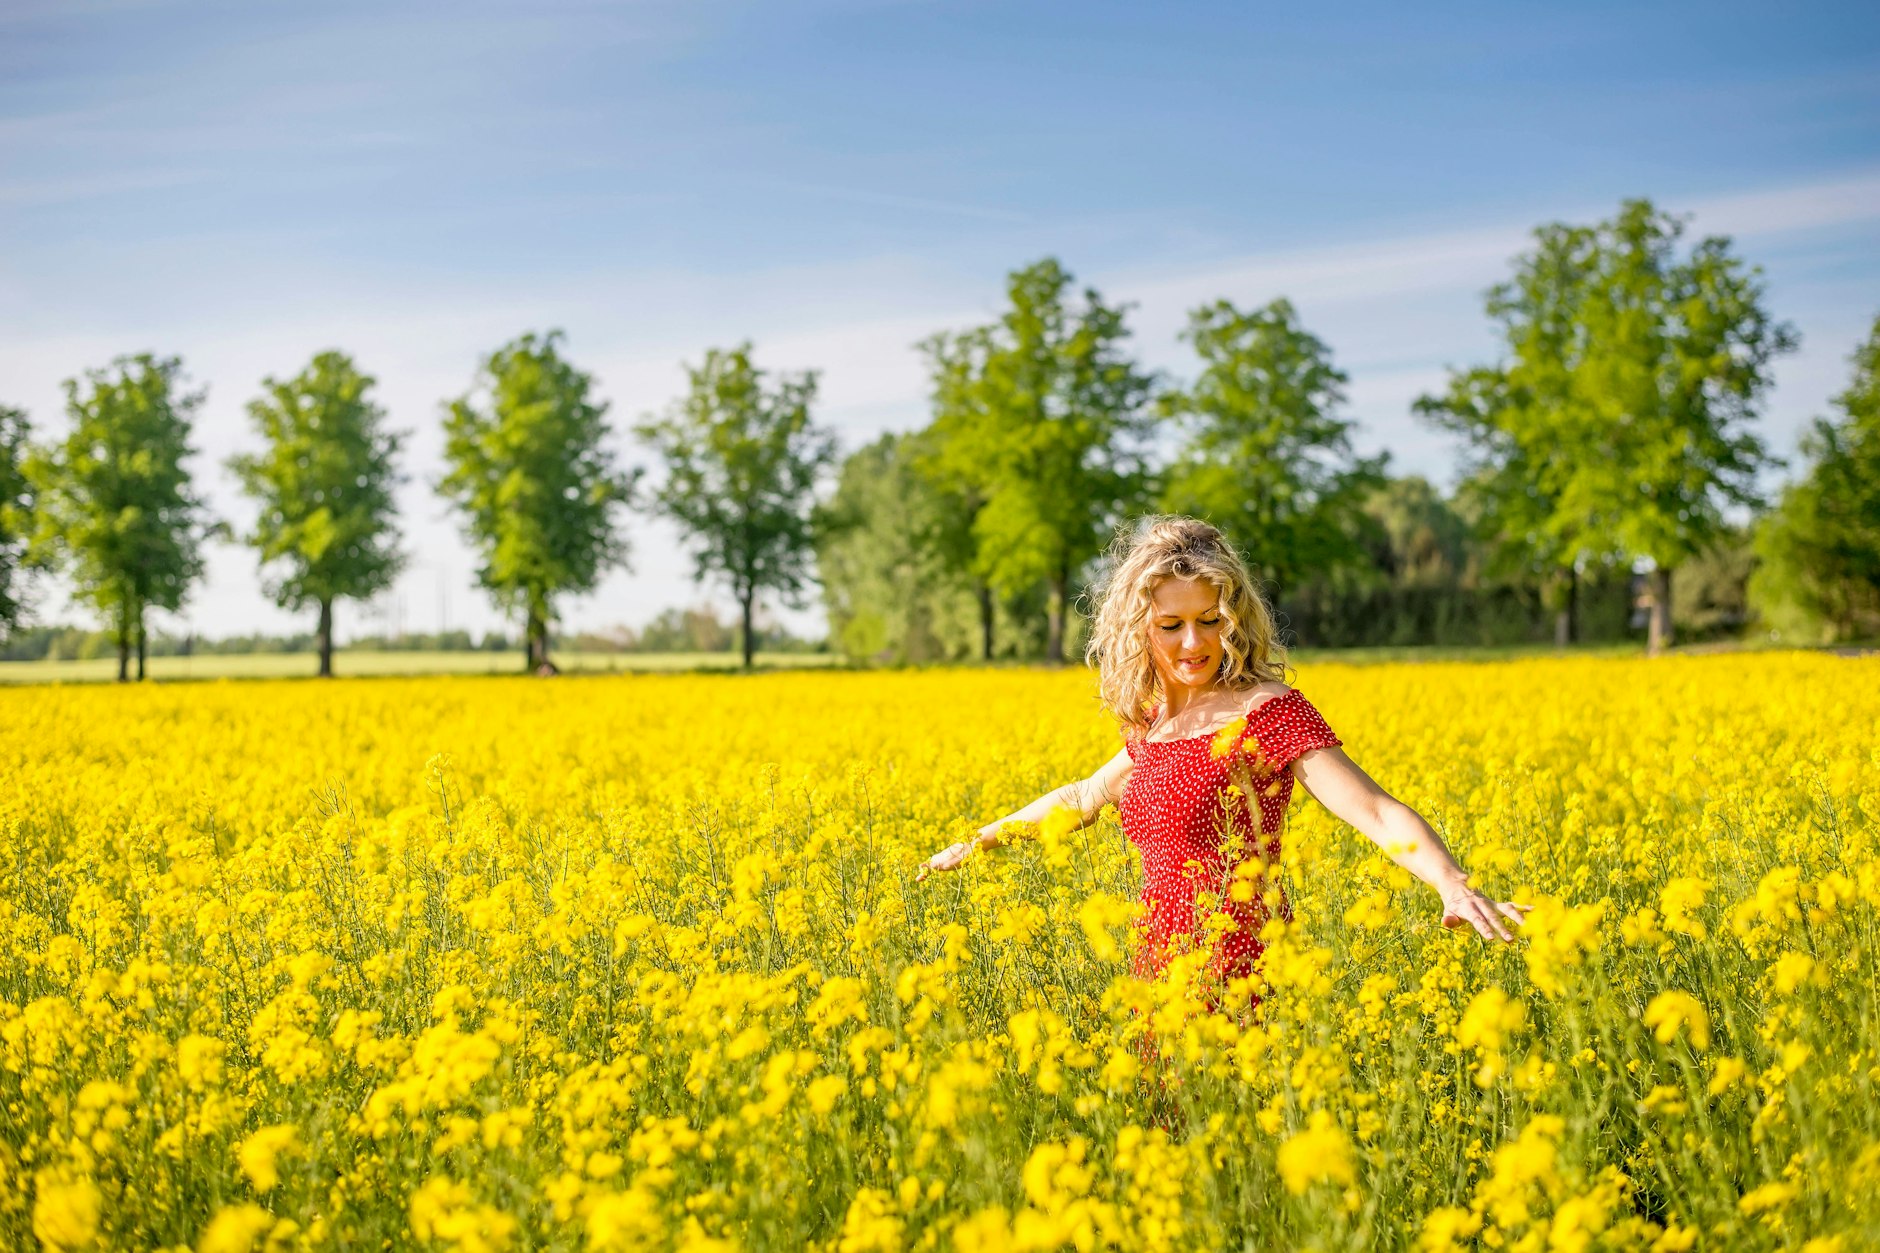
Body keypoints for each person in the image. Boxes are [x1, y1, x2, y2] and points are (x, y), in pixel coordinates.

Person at [916, 515, 1530, 1015]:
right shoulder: (1154, 726)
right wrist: (979, 841)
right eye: (1171, 625)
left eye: (1210, 621)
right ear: (1140, 630)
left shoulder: (1265, 711)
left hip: (1243, 965)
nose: (1193, 642)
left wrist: (1450, 881)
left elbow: (1372, 808)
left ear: (1234, 619)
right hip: (1160, 965)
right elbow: (1081, 798)